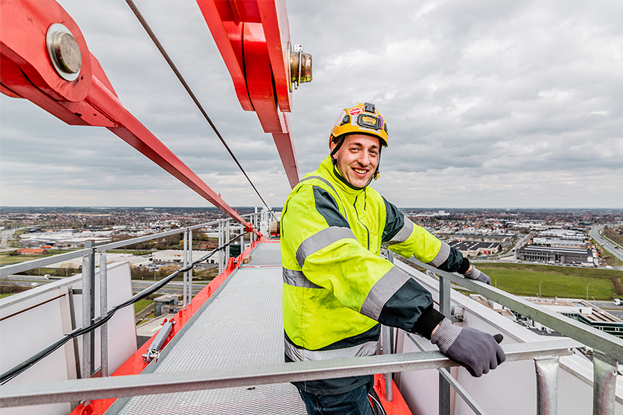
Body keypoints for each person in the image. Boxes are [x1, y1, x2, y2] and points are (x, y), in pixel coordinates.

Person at [280, 102, 505, 415]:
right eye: (355, 148)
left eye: (373, 151)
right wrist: (438, 328)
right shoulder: (310, 199)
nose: (365, 160)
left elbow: (414, 238)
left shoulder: (371, 201)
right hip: (325, 369)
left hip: (361, 356)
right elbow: (351, 268)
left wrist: (463, 265)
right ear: (334, 148)